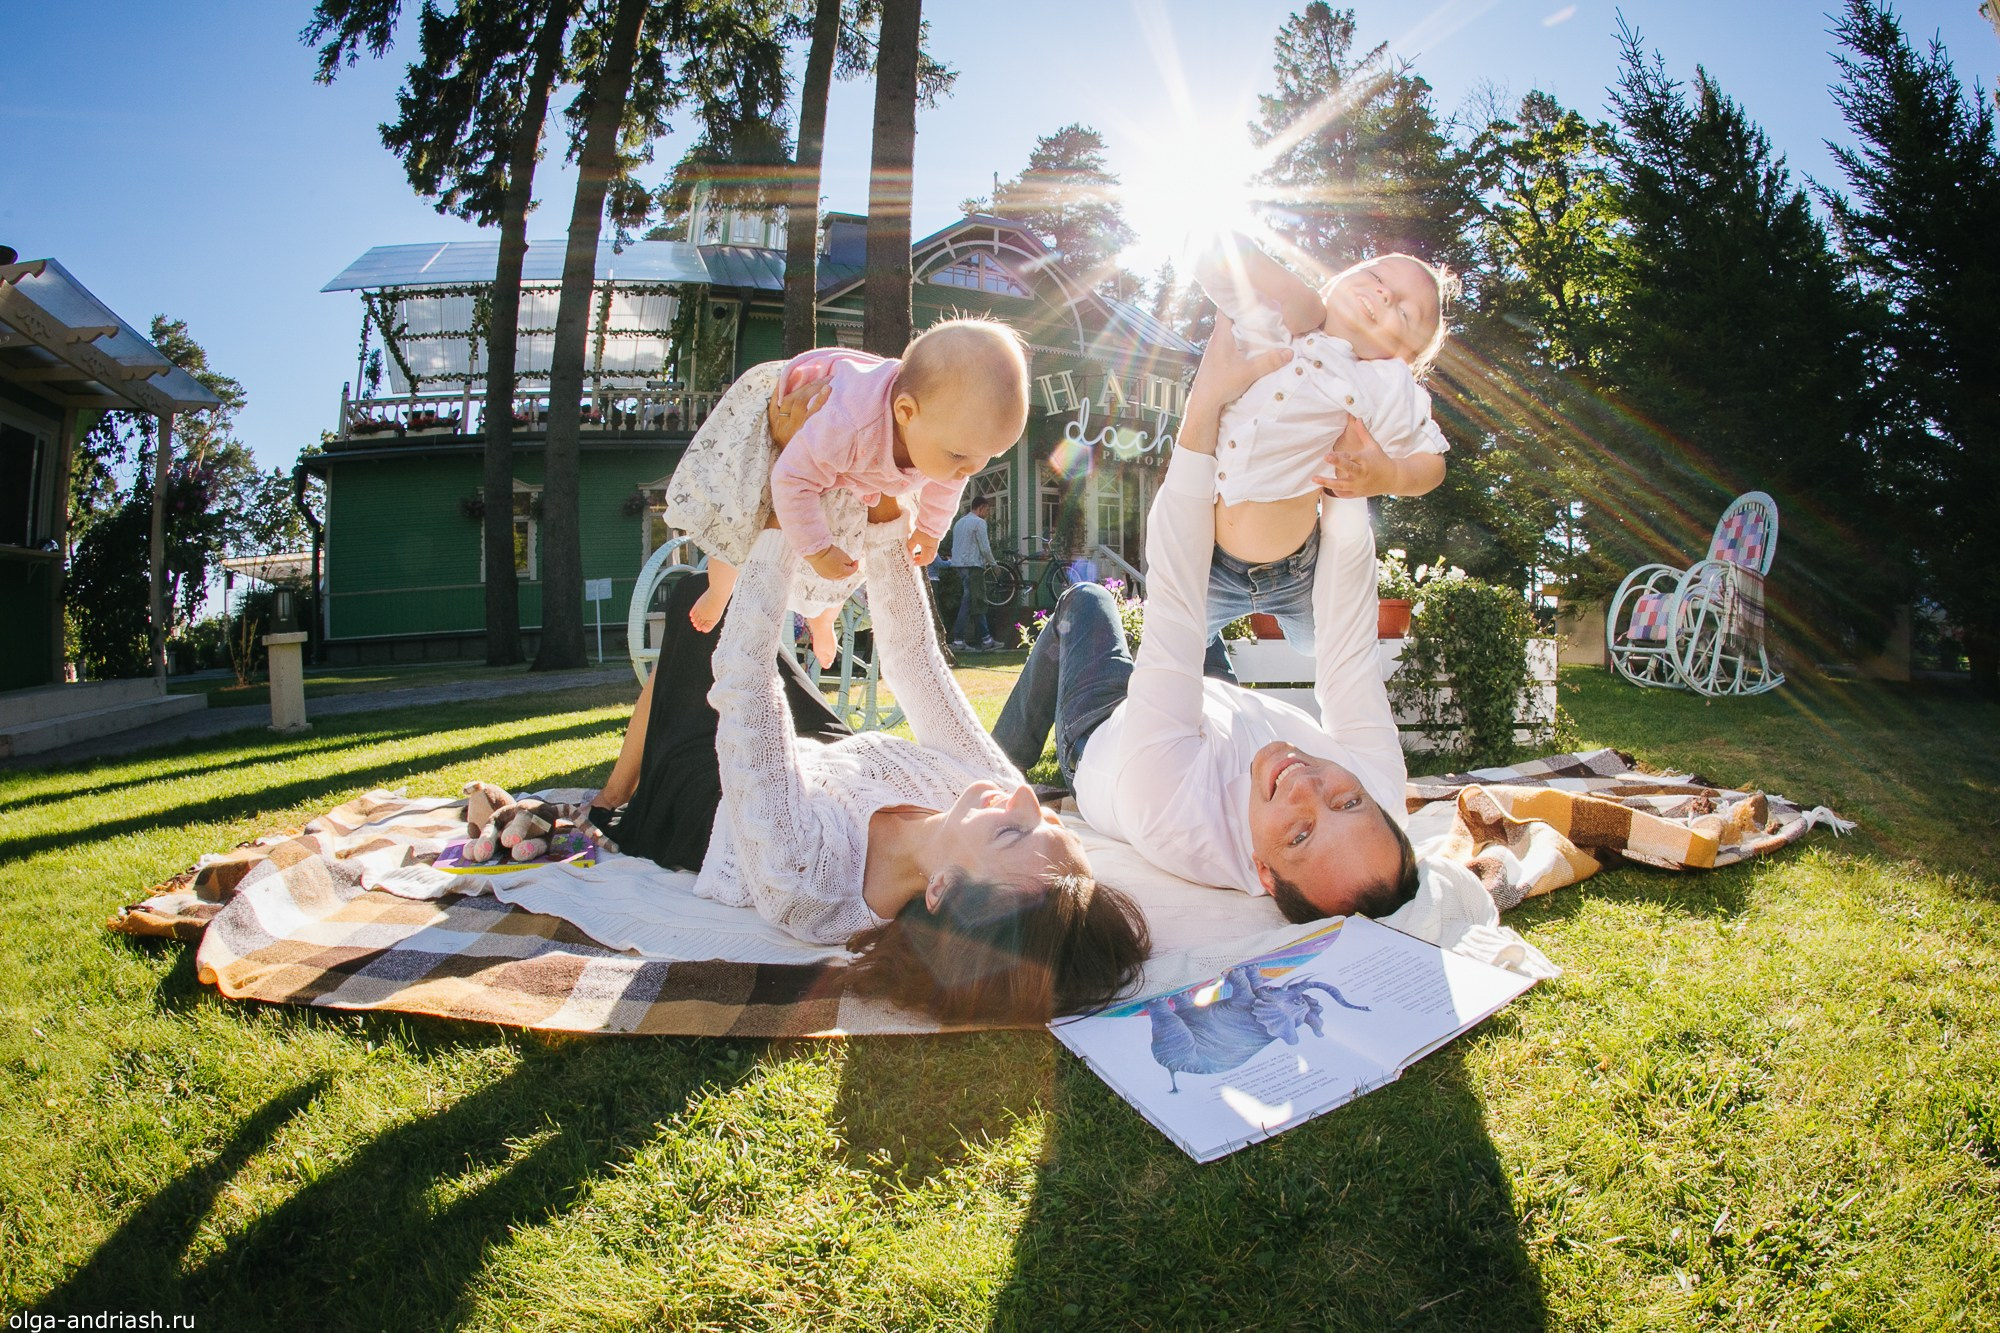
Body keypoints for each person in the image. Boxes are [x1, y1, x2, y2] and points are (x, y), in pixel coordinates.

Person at [593, 383, 1146, 1024]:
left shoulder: (807, 884)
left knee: (699, 609)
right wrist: (885, 504)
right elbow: (915, 664)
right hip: (834, 756)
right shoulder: (988, 789)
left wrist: (783, 496)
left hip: (714, 802)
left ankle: (618, 800)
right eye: (1051, 823)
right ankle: (613, 789)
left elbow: (743, 677)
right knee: (706, 610)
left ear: (942, 892)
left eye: (1013, 831)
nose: (1027, 797)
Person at [990, 314, 1420, 925]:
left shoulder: (1168, 803)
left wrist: (1207, 401)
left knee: (1088, 603)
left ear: (1263, 875)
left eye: (1298, 834)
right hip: (1215, 712)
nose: (1306, 788)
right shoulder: (1380, 805)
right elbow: (1349, 645)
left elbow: (1178, 591)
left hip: (1112, 730)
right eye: (1347, 802)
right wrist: (1348, 492)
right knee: (1209, 642)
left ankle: (982, 774)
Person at [663, 318, 1030, 666]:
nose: (972, 469)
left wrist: (930, 530)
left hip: (856, 464)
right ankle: (718, 590)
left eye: (988, 456)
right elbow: (791, 480)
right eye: (960, 455)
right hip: (798, 422)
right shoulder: (848, 423)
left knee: (851, 555)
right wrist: (818, 549)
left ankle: (823, 620)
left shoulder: (947, 437)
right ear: (905, 412)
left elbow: (949, 483)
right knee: (743, 518)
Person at [1191, 234, 1453, 667]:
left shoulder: (1383, 384)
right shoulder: (1275, 321)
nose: (1385, 293)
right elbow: (1211, 259)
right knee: (1182, 641)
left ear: (1401, 357)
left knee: (1322, 645)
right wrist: (1296, 294)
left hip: (1295, 573)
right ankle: (1217, 672)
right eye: (1375, 276)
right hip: (1210, 565)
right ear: (1340, 278)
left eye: (1404, 312)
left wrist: (1387, 475)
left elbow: (1433, 465)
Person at [948, 494, 999, 650]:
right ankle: (960, 641)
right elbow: (985, 547)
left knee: (974, 601)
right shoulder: (979, 523)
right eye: (987, 509)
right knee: (972, 601)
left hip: (959, 566)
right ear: (981, 507)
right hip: (973, 566)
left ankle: (985, 639)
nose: (988, 513)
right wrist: (994, 564)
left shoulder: (959, 523)